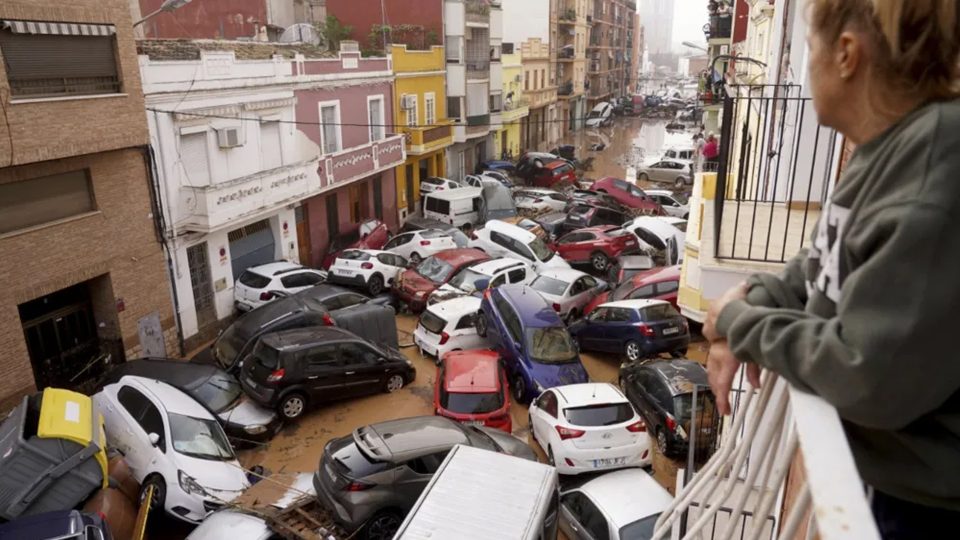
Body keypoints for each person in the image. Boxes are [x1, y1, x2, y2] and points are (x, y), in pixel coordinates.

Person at [701, 1, 960, 538]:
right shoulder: (884, 148)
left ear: (846, 54)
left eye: (811, 45)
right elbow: (818, 265)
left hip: (923, 510)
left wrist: (740, 323)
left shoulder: (934, 167)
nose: (807, 61)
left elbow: (868, 375)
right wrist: (753, 299)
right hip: (892, 486)